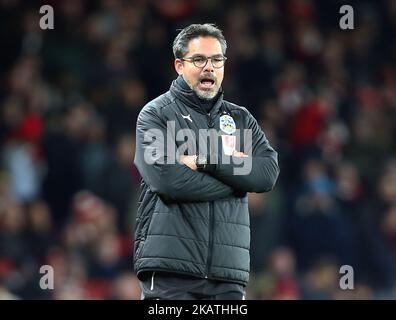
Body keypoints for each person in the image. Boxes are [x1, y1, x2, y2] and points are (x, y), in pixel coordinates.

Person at [133, 23, 280, 300]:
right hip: (170, 270)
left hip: (228, 274)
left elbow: (267, 173)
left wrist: (205, 160)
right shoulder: (156, 115)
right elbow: (169, 181)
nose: (209, 67)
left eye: (216, 60)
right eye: (199, 59)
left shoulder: (240, 120)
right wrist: (236, 182)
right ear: (179, 65)